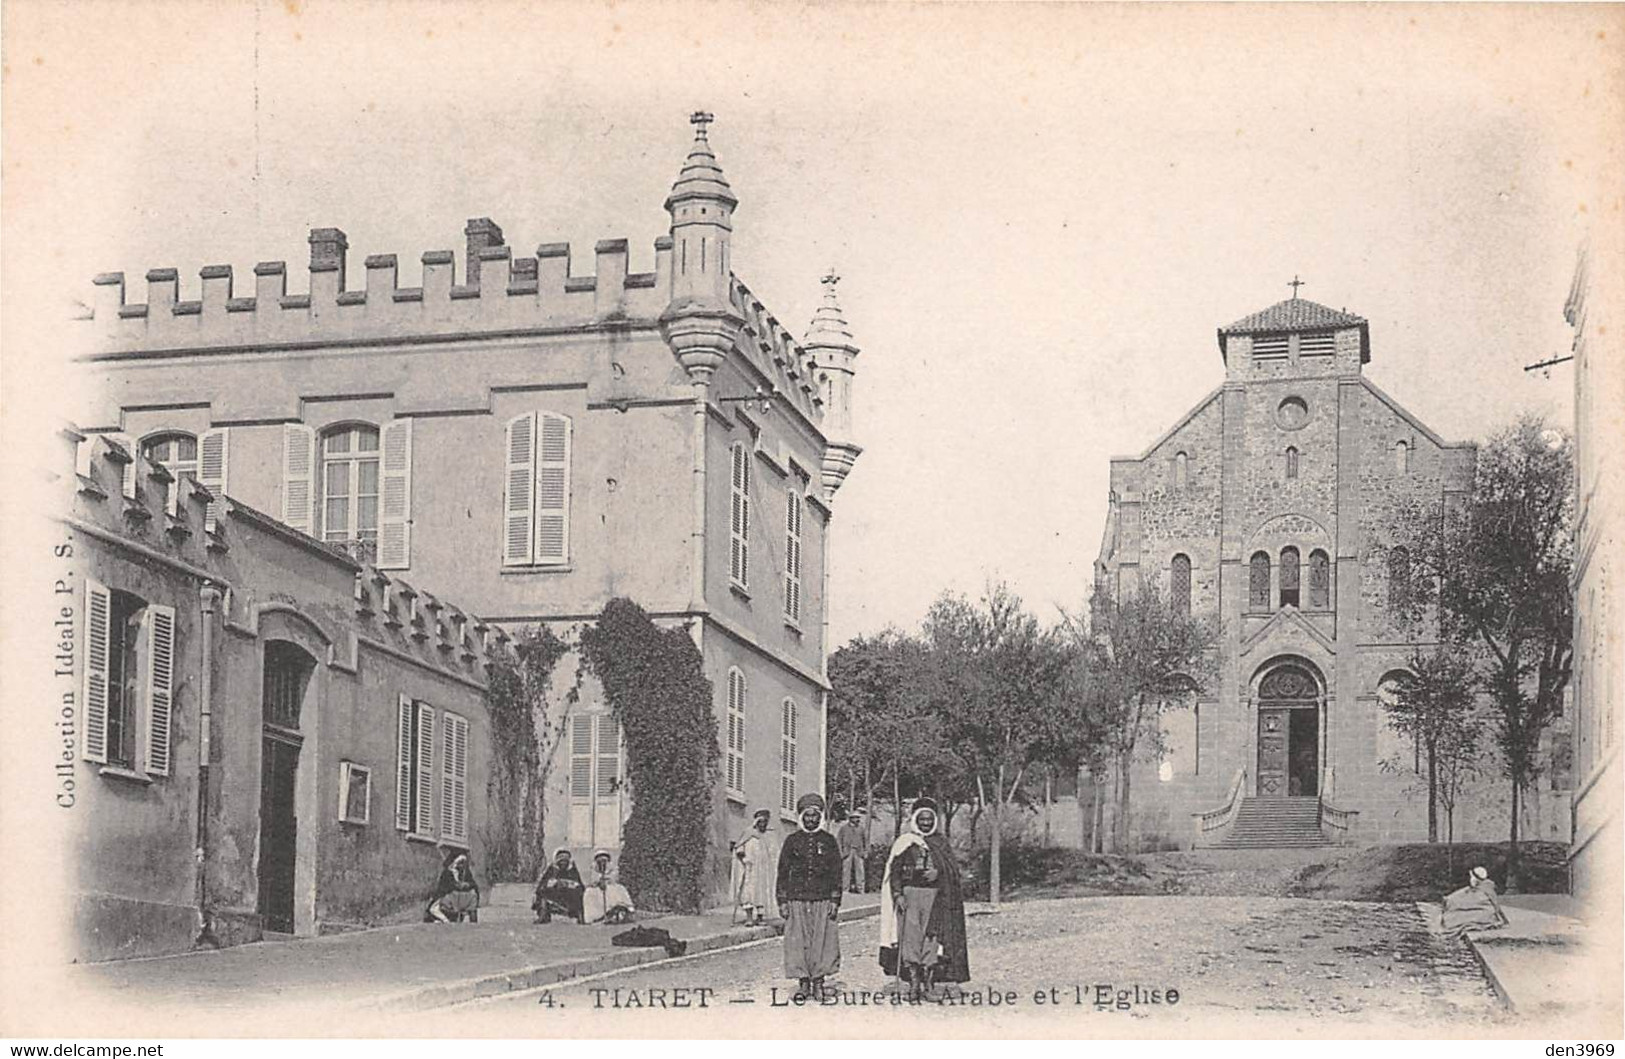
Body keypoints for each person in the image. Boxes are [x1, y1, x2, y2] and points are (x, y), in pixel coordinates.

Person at [879, 798, 970, 998]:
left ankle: (929, 984)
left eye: (930, 819)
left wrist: (939, 873)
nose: (926, 823)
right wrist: (897, 894)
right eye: (923, 819)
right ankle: (913, 983)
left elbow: (952, 873)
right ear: (915, 819)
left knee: (931, 940)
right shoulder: (905, 842)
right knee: (911, 940)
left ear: (934, 821)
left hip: (934, 898)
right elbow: (893, 872)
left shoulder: (941, 843)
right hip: (910, 896)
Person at [776, 793, 843, 1000]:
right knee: (798, 942)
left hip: (822, 899)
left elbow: (836, 872)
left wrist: (834, 899)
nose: (811, 820)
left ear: (820, 817)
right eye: (808, 815)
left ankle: (818, 983)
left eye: (815, 816)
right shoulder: (792, 841)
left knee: (822, 942)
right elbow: (782, 872)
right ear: (801, 817)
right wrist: (783, 900)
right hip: (797, 899)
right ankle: (803, 983)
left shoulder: (829, 841)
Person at [730, 808, 779, 926]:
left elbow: (773, 852)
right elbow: (739, 848)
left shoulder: (768, 836)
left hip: (763, 871)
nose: (763, 825)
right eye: (761, 822)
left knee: (762, 893)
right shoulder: (748, 834)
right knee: (749, 893)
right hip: (750, 869)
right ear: (756, 822)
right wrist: (744, 859)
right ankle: (749, 917)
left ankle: (760, 917)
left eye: (765, 822)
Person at [1442, 865, 1508, 938]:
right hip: (1485, 911)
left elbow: (1493, 904)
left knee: (1457, 909)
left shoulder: (1485, 888)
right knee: (1455, 901)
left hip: (1485, 912)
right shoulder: (1482, 887)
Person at [583, 849, 636, 925]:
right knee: (589, 893)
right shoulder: (591, 887)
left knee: (619, 890)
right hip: (598, 893)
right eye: (599, 862)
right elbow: (591, 881)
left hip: (612, 889)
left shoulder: (619, 886)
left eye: (604, 861)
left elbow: (613, 878)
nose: (602, 864)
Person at [533, 847, 585, 924]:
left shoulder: (572, 870)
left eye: (565, 860)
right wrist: (553, 884)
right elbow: (542, 883)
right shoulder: (552, 869)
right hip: (554, 895)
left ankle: (580, 916)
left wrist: (569, 885)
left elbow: (580, 885)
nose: (563, 863)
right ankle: (543, 914)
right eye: (561, 860)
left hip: (570, 897)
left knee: (579, 895)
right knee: (542, 893)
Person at [426, 850, 481, 923]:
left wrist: (467, 885)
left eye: (463, 863)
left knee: (472, 895)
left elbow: (473, 884)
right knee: (436, 908)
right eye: (459, 863)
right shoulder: (447, 873)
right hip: (448, 898)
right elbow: (445, 888)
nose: (461, 866)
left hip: (462, 899)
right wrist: (457, 885)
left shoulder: (465, 873)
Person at [837, 807, 867, 894]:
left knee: (860, 871)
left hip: (858, 852)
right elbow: (839, 840)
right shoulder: (844, 828)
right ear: (850, 818)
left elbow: (865, 841)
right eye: (855, 817)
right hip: (847, 852)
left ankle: (860, 889)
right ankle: (845, 889)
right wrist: (841, 852)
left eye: (858, 817)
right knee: (846, 871)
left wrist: (865, 852)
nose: (857, 819)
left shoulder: (861, 828)